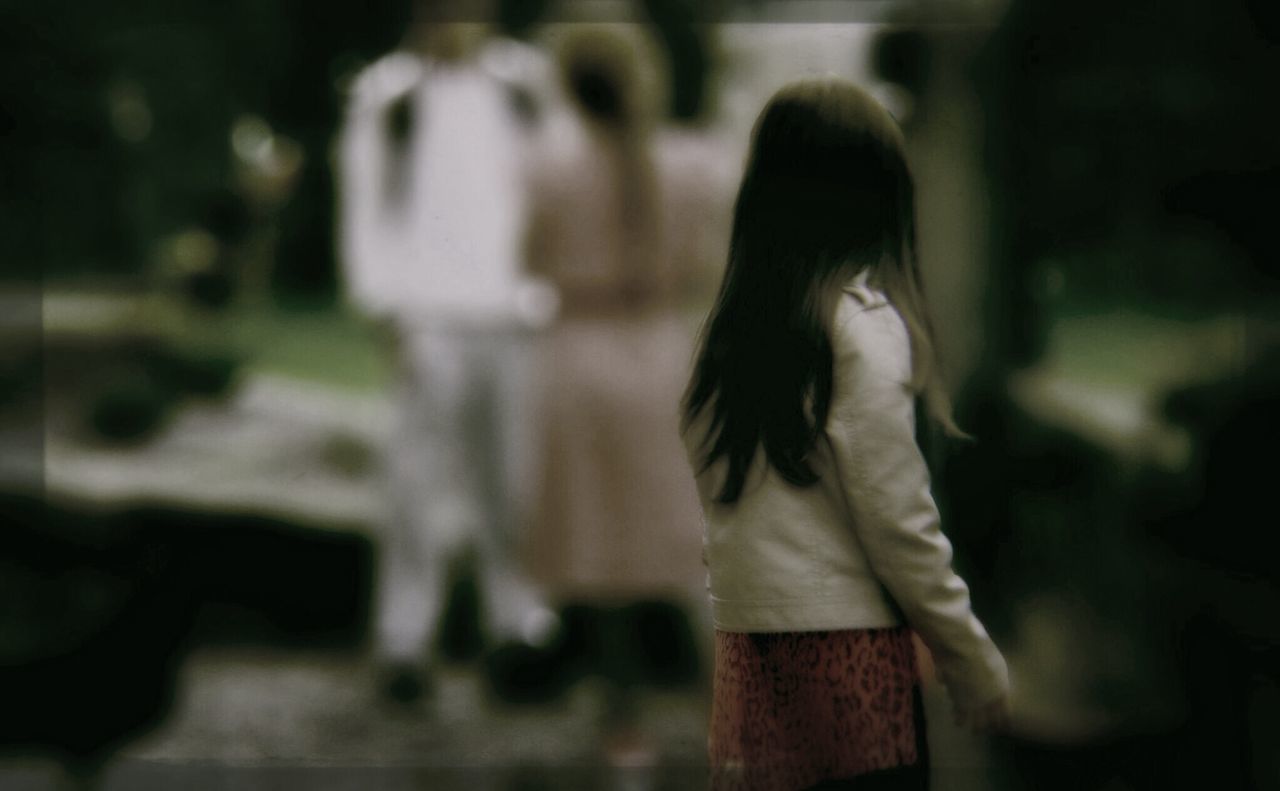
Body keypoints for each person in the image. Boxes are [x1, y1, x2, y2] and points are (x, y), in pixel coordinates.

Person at [680, 79, 1011, 790]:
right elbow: (899, 520)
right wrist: (967, 650)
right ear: (879, 199)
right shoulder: (862, 329)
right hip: (848, 649)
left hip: (752, 646)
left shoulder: (731, 335)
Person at [335, 6, 559, 704]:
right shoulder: (389, 92)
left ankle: (520, 628)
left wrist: (546, 294)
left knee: (515, 480)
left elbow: (554, 186)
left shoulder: (525, 84)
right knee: (414, 484)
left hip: (513, 311)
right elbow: (363, 198)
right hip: (427, 313)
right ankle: (405, 640)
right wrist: (382, 304)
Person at [519, 26, 711, 759]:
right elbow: (701, 266)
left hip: (579, 354)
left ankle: (623, 727)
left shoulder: (546, 170)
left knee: (600, 552)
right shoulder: (694, 163)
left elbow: (530, 258)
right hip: (661, 350)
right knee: (691, 549)